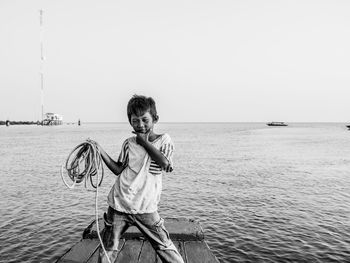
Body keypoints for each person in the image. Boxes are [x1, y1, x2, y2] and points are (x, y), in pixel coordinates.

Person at [96, 95, 184, 263]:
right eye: (135, 121)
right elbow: (117, 169)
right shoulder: (128, 143)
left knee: (164, 246)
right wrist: (100, 150)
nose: (140, 125)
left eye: (145, 120)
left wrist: (144, 142)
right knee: (108, 248)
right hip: (119, 204)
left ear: (155, 119)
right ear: (130, 122)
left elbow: (165, 163)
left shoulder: (164, 140)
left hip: (146, 208)